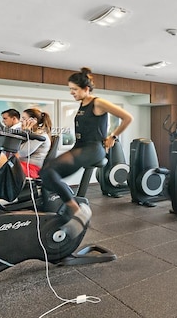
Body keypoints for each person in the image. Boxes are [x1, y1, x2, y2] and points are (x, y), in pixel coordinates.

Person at [39, 67, 133, 237]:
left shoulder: (97, 102)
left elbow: (128, 117)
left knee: (50, 171)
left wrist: (113, 136)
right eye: (70, 89)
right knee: (46, 173)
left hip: (94, 149)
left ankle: (78, 211)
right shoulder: (82, 104)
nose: (71, 93)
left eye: (74, 89)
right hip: (80, 146)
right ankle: (73, 207)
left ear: (86, 89)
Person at [18, 108, 52, 179]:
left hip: (32, 168)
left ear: (34, 121)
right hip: (24, 164)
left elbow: (21, 153)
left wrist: (25, 133)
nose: (21, 120)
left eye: (24, 118)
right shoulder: (33, 134)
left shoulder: (40, 135)